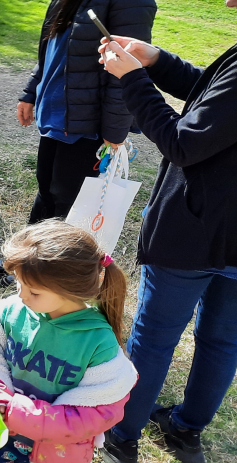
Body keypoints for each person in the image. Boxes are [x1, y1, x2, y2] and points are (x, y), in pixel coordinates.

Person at [0, 0, 160, 285]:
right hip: (61, 114)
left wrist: (114, 133)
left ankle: (50, 278)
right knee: (48, 189)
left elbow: (125, 67)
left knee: (68, 200)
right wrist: (32, 90)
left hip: (91, 123)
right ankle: (25, 265)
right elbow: (54, 44)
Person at [96, 36, 237, 463]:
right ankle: (185, 429)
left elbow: (182, 142)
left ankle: (123, 434)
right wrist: (158, 61)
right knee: (222, 342)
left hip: (194, 230)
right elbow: (217, 103)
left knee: (154, 340)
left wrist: (134, 80)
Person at [0, 221, 137, 463]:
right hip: (0, 439)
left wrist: (15, 414)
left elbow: (99, 410)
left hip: (57, 453)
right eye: (18, 283)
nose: (21, 295)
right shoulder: (9, 314)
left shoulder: (98, 342)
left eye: (34, 291)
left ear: (69, 291)